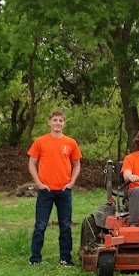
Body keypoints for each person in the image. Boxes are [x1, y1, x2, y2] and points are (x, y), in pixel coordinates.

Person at [27, 109, 82, 265]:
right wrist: (39, 183)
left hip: (64, 191)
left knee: (65, 226)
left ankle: (65, 258)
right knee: (40, 225)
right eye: (55, 120)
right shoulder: (40, 141)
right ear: (49, 122)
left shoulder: (70, 143)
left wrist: (71, 182)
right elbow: (31, 163)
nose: (58, 123)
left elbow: (77, 165)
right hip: (46, 191)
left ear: (64, 124)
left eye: (60, 121)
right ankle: (35, 258)